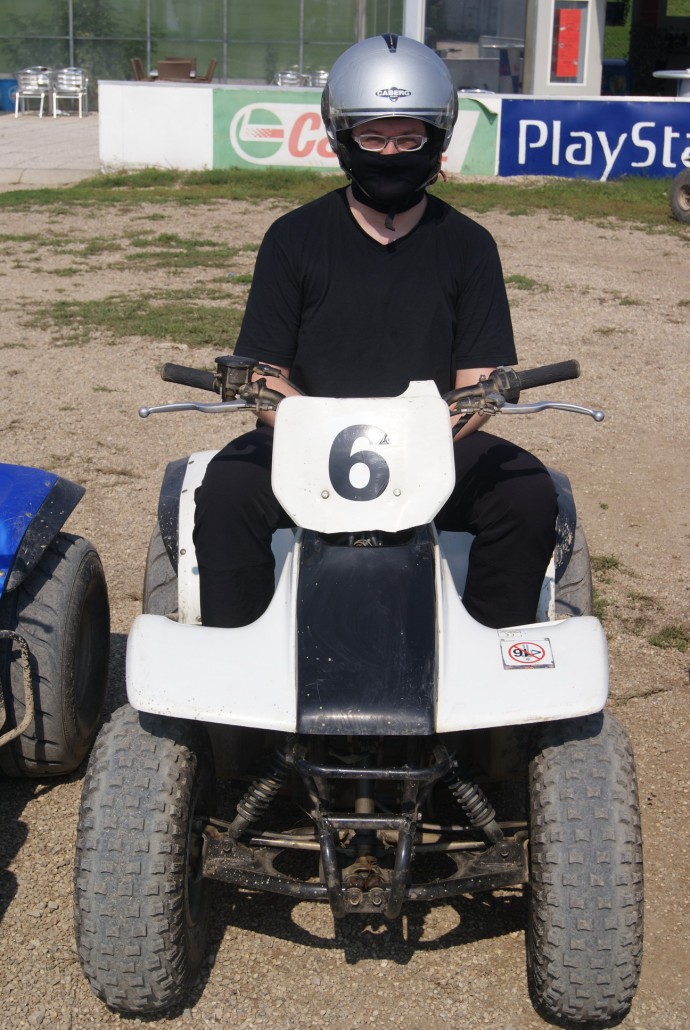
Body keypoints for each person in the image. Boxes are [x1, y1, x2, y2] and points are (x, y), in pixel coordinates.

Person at [194, 33, 557, 630]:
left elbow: (479, 379)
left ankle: (495, 652)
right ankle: (236, 657)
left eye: (409, 138)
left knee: (527, 493)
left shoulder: (469, 246)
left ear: (438, 139)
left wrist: (419, 442)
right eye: (373, 137)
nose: (391, 152)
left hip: (436, 443)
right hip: (306, 440)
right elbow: (264, 372)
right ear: (342, 139)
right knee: (226, 490)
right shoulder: (293, 238)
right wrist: (316, 433)